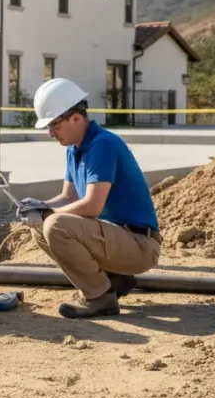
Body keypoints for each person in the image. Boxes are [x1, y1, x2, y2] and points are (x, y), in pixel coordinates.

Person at [16, 77, 162, 319]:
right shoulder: (74, 148)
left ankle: (100, 299)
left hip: (139, 245)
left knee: (55, 224)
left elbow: (92, 206)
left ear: (75, 118)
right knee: (41, 226)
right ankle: (113, 281)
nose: (51, 134)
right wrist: (38, 207)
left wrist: (48, 215)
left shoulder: (102, 145)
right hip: (119, 239)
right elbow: (67, 197)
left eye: (54, 126)